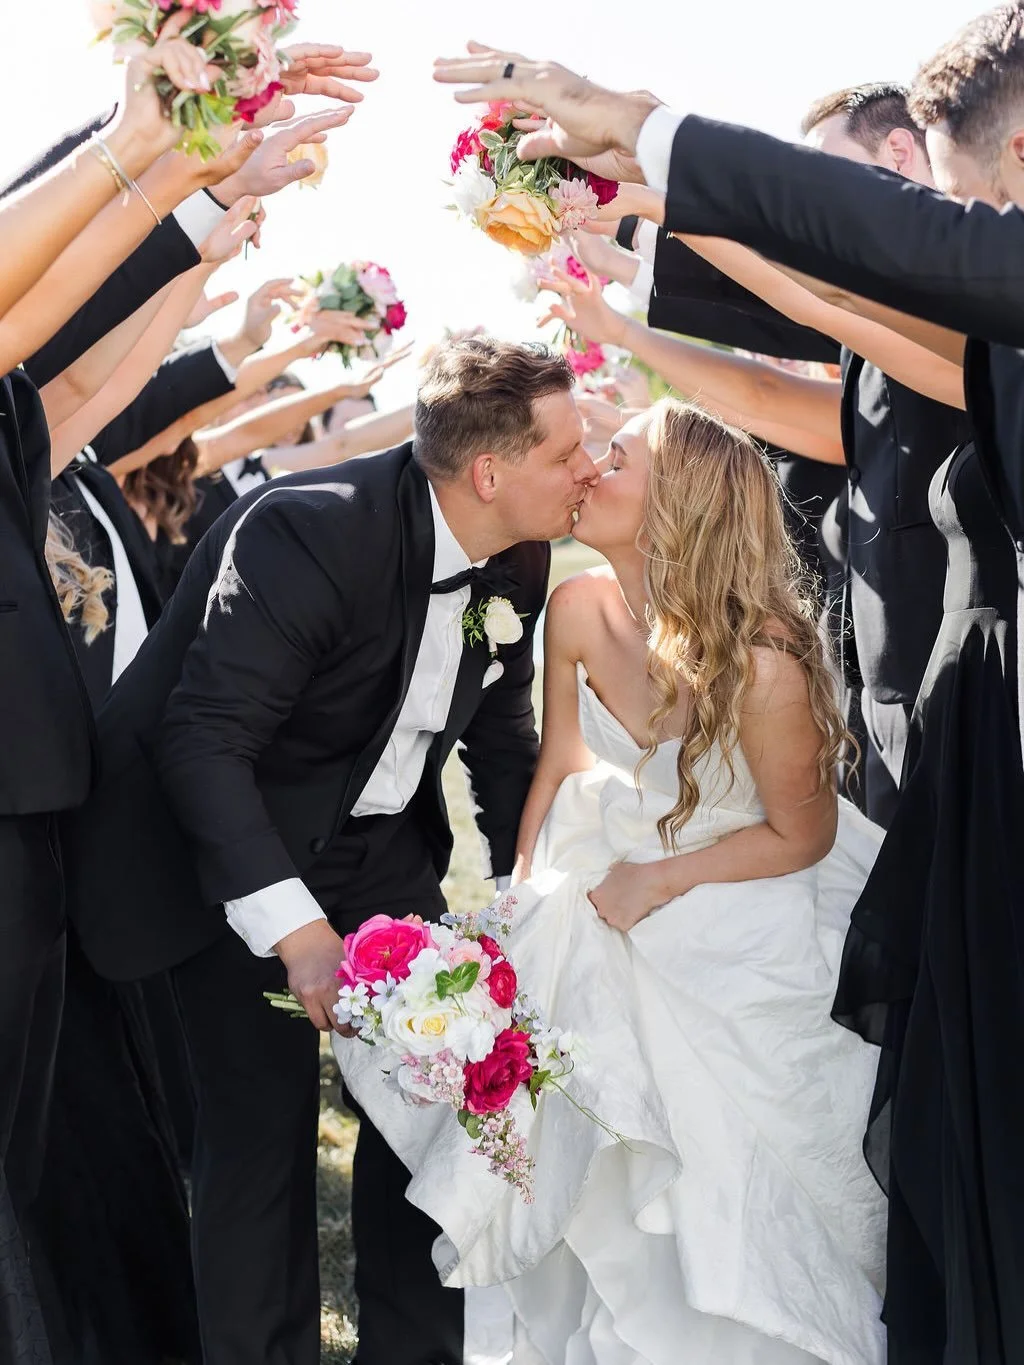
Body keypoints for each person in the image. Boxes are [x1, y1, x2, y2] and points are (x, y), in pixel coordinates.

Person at [432, 11, 1024, 1359]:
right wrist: (636, 277)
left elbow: (860, 303)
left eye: (858, 196)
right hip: (915, 746)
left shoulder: (969, 332)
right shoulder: (904, 353)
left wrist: (669, 187)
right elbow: (811, 356)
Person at [62, 337, 597, 1365]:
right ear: (490, 472)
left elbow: (499, 741)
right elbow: (203, 744)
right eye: (569, 451)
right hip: (220, 853)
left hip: (378, 851)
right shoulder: (308, 534)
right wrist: (298, 933)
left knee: (432, 1113)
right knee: (260, 1142)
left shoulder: (518, 556)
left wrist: (526, 889)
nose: (589, 468)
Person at [338, 398, 887, 1365]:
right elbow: (559, 763)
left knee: (707, 1123)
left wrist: (660, 879)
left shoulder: (764, 662)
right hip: (607, 870)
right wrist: (517, 895)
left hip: (736, 882)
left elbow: (802, 835)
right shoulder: (579, 607)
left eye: (616, 457)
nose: (589, 467)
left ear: (676, 501)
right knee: (580, 1090)